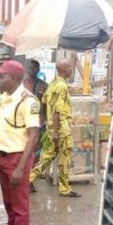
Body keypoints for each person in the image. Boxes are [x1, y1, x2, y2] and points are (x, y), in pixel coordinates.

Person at [0, 60, 41, 225]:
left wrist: (20, 167)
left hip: (17, 157)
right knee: (9, 205)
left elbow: (33, 135)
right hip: (3, 156)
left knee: (20, 208)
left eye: (2, 76)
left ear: (14, 78)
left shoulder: (27, 101)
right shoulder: (5, 97)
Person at [29, 59, 80, 198]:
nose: (70, 69)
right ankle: (64, 189)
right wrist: (57, 131)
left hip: (52, 126)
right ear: (64, 69)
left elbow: (44, 101)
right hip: (61, 128)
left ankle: (28, 179)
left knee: (47, 156)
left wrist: (48, 121)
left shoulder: (52, 83)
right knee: (64, 158)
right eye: (69, 67)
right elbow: (57, 109)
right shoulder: (62, 86)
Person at [24, 60, 48, 171]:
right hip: (24, 122)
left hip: (39, 121)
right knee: (25, 148)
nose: (31, 70)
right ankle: (26, 172)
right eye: (29, 67)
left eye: (34, 68)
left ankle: (32, 174)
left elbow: (48, 104)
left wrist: (46, 119)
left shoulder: (44, 86)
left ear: (38, 69)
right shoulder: (22, 85)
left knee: (37, 149)